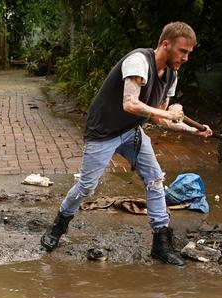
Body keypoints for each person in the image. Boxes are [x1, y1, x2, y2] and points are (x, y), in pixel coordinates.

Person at [40, 22, 212, 266]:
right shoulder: (138, 61)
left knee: (154, 180)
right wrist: (169, 113)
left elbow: (158, 117)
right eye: (182, 51)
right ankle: (59, 225)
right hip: (103, 132)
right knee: (87, 186)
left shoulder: (172, 74)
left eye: (189, 53)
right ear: (166, 44)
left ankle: (161, 243)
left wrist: (194, 129)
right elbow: (130, 104)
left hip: (131, 131)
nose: (185, 58)